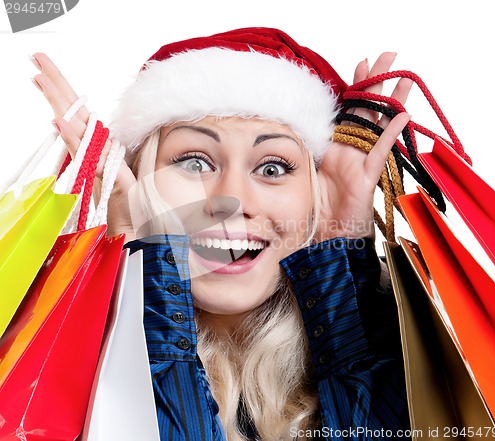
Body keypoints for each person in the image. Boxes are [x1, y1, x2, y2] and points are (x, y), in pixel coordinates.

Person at [31, 27, 412, 440]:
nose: (231, 199)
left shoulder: (415, 359)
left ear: (314, 195)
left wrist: (339, 253)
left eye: (272, 168)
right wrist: (136, 265)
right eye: (195, 163)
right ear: (142, 174)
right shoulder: (42, 365)